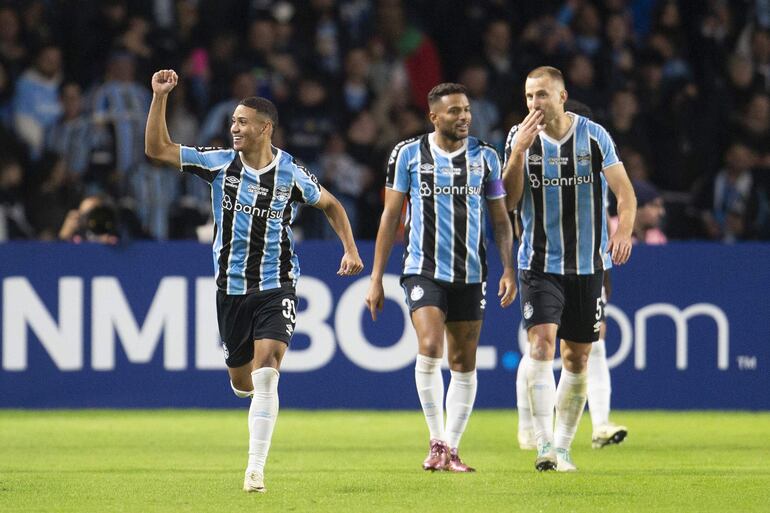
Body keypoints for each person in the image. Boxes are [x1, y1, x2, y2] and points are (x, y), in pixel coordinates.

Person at [144, 69, 363, 493]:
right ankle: (251, 401)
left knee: (267, 372)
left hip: (276, 283)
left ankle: (254, 470)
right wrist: (160, 98)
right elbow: (157, 149)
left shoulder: (291, 173)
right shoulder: (219, 163)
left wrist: (350, 249)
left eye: (242, 122)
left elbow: (331, 204)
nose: (234, 129)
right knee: (242, 382)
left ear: (265, 128)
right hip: (230, 290)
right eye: (233, 122)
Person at [365, 83, 517, 473]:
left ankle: (452, 447)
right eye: (454, 111)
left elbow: (500, 219)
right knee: (430, 346)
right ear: (434, 116)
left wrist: (509, 270)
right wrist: (376, 277)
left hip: (471, 273)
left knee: (464, 361)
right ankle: (436, 441)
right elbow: (390, 216)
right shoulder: (407, 154)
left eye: (466, 110)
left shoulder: (486, 158)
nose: (464, 116)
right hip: (423, 269)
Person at [502, 66, 636, 472]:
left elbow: (625, 193)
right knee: (541, 347)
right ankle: (544, 443)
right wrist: (518, 153)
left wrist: (624, 232)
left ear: (562, 96)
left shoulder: (594, 137)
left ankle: (563, 447)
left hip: (587, 265)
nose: (534, 104)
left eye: (541, 95)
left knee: (577, 359)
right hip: (539, 264)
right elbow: (506, 201)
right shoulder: (518, 138)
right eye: (528, 97)